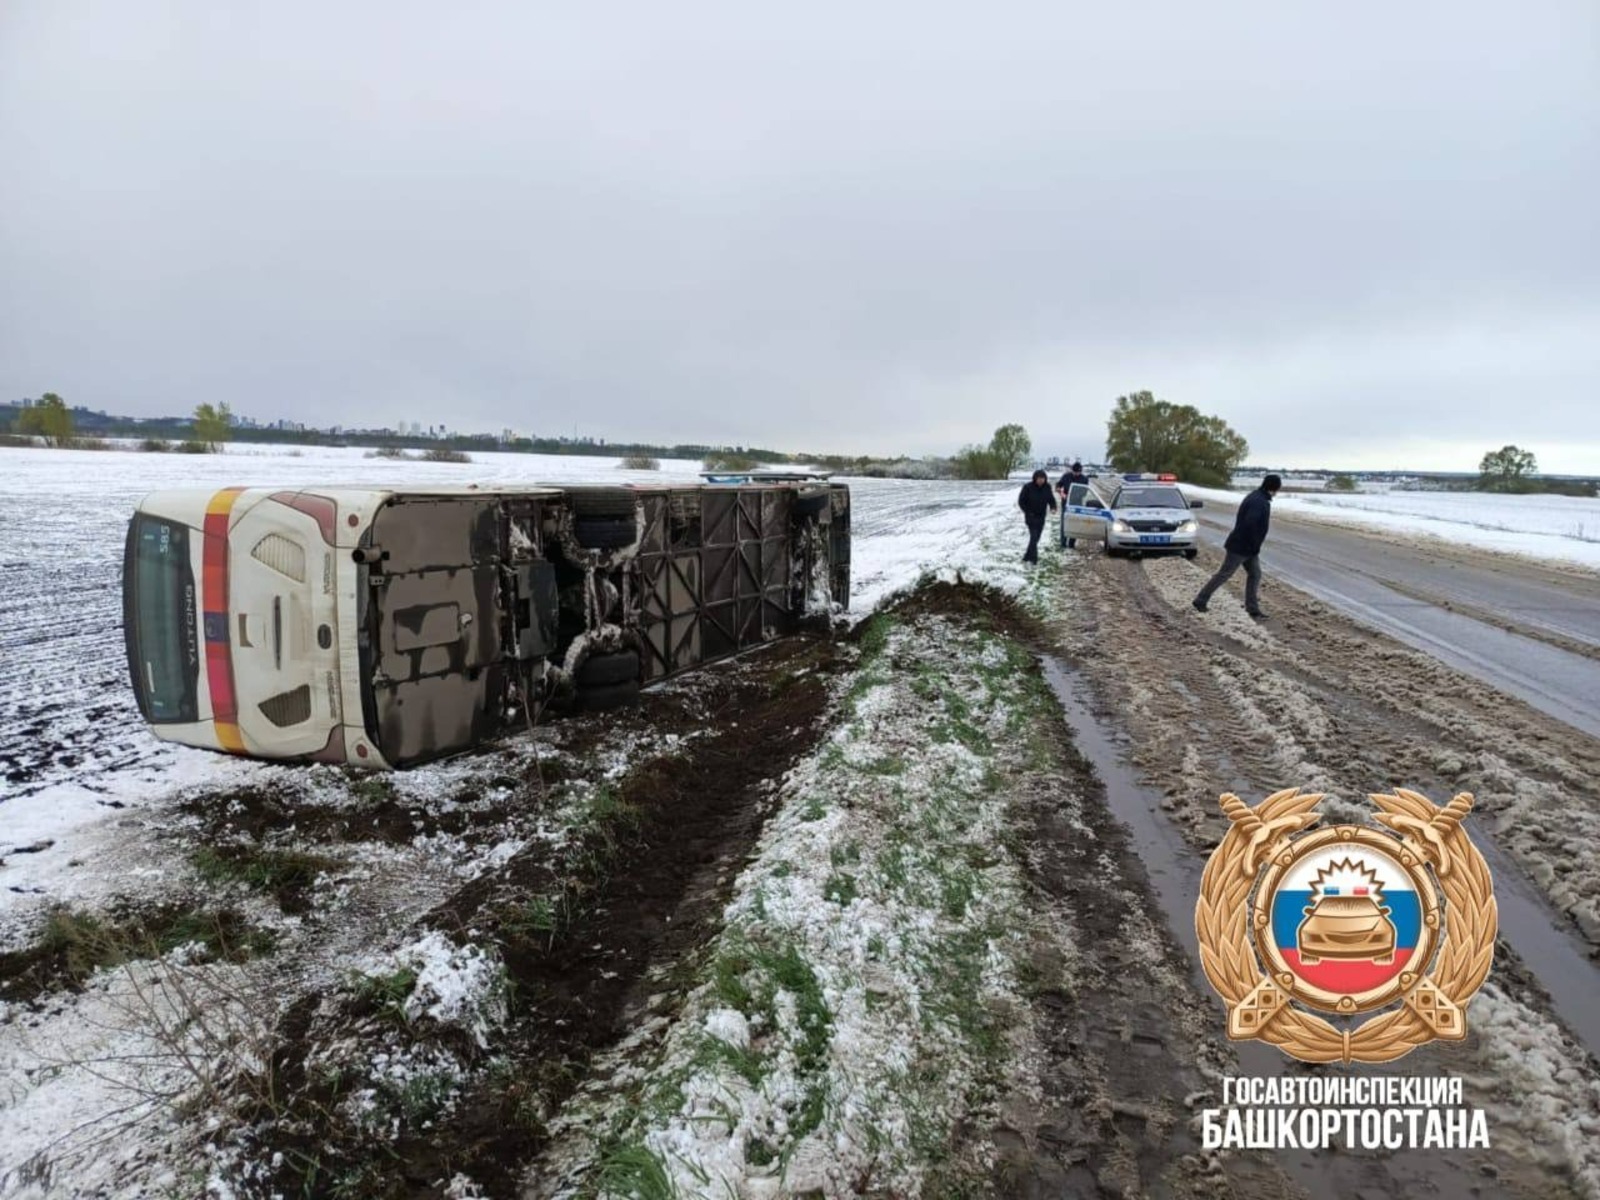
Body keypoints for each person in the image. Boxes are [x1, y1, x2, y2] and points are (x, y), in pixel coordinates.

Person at [1193, 474, 1281, 619]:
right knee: (1224, 574)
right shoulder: (1259, 501)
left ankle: (1252, 609)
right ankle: (1200, 600)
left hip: (1248, 547)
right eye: (1277, 488)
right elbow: (1250, 523)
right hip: (1242, 546)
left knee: (1255, 574)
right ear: (1274, 487)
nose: (1277, 492)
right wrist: (1253, 542)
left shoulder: (1257, 497)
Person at [1017, 469, 1057, 564]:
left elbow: (1051, 499)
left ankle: (1026, 557)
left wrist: (1053, 507)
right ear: (1035, 478)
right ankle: (1034, 559)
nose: (1041, 480)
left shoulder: (1047, 487)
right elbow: (1021, 501)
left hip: (1041, 516)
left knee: (1036, 538)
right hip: (1031, 516)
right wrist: (1027, 511)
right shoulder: (1028, 487)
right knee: (1034, 536)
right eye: (1039, 478)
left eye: (1042, 478)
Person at [1056, 460, 1089, 548]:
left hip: (1077, 503)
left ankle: (1071, 543)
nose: (1077, 474)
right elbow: (1059, 485)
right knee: (1065, 523)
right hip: (1066, 504)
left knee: (1075, 523)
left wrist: (1073, 496)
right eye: (1075, 472)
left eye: (1078, 472)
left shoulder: (1084, 479)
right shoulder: (1066, 476)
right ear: (1072, 470)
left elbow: (1084, 492)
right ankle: (1063, 543)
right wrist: (1059, 490)